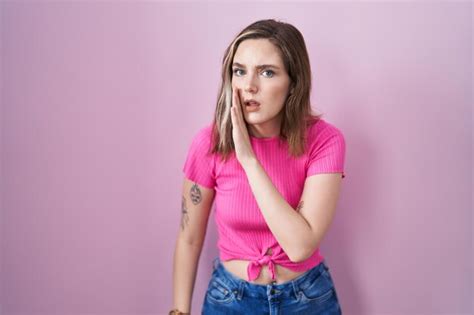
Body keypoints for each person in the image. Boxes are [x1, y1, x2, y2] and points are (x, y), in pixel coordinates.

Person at [170, 18, 346, 315]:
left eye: (267, 72)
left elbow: (300, 246)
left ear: (294, 83)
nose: (249, 86)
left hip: (307, 299)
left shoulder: (324, 141)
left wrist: (249, 160)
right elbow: (188, 238)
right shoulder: (208, 143)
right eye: (239, 71)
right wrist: (177, 311)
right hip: (230, 299)